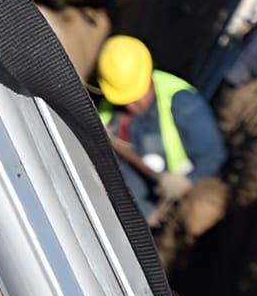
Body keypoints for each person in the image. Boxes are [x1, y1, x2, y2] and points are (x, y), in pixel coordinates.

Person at [95, 35, 226, 221]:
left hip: (159, 209)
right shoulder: (113, 101)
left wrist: (188, 182)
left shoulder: (183, 104)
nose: (130, 106)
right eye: (123, 100)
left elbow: (213, 156)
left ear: (148, 74)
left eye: (135, 97)